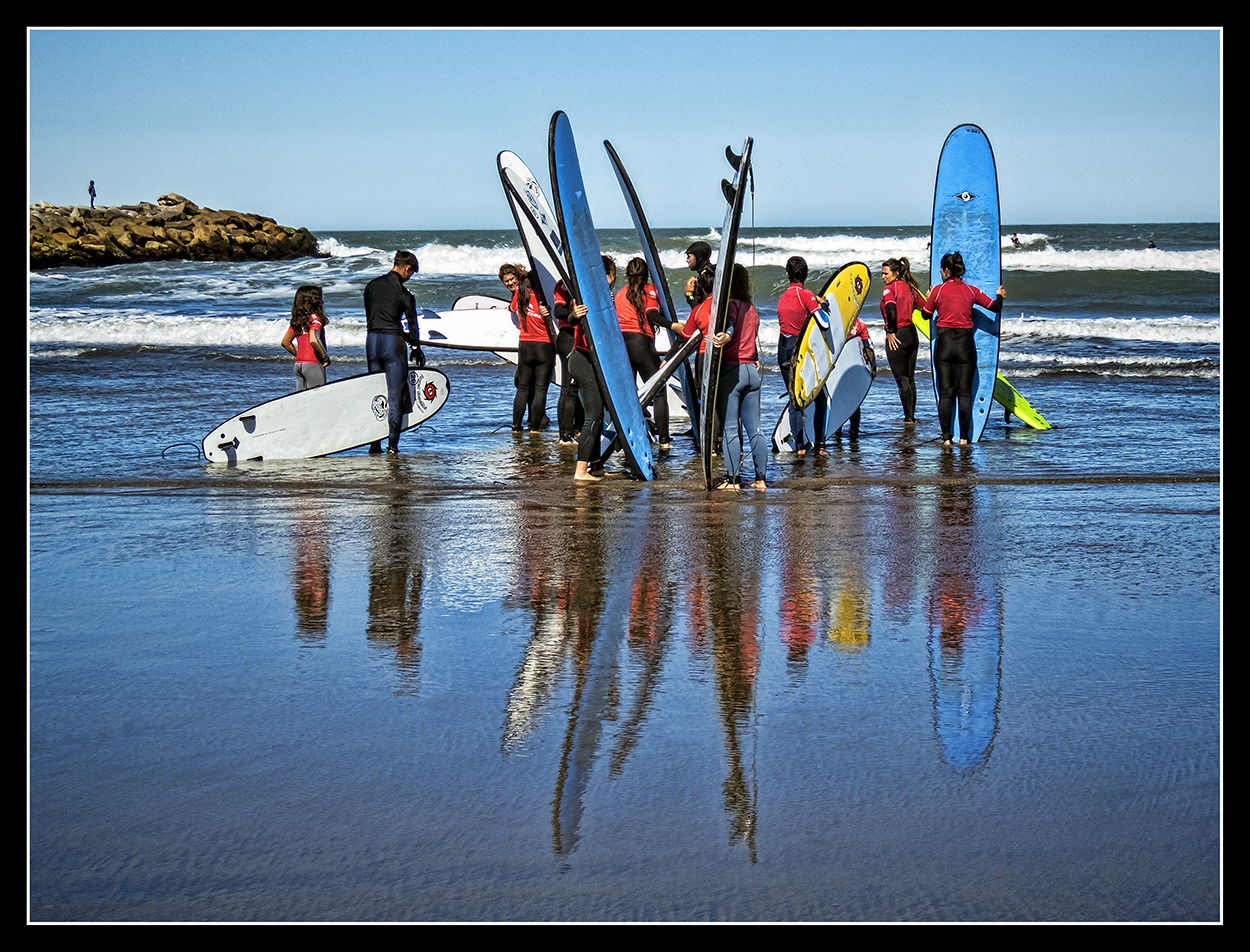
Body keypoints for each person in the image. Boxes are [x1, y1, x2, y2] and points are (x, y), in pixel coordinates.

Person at [921, 250, 1005, 447]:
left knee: (946, 393)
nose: (941, 273)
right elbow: (994, 307)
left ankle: (946, 439)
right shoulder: (971, 290)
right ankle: (964, 439)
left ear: (947, 271)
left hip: (944, 345)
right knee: (965, 393)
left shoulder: (938, 291)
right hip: (966, 345)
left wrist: (928, 298)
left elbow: (926, 315)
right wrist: (999, 295)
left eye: (942, 270)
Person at [711, 264, 767, 490]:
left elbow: (731, 324)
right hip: (752, 372)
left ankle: (733, 481)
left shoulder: (731, 304)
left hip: (732, 371)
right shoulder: (752, 308)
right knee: (755, 429)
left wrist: (726, 336)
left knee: (731, 429)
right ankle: (761, 480)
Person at [615, 257, 680, 451]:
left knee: (629, 395)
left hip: (621, 345)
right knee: (659, 392)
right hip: (640, 344)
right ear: (646, 274)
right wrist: (672, 325)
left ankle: (627, 438)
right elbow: (651, 314)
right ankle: (664, 440)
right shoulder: (649, 290)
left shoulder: (619, 294)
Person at [364, 250, 425, 455]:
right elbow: (413, 325)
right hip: (392, 345)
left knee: (375, 394)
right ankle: (392, 447)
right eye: (412, 273)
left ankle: (374, 444)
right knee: (394, 396)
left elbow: (372, 316)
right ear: (407, 269)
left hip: (372, 342)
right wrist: (416, 348)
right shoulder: (404, 294)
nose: (410, 277)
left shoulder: (371, 286)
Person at [567, 255, 616, 480]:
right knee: (593, 416)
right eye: (609, 274)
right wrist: (574, 315)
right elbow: (575, 318)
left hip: (591, 360)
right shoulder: (587, 295)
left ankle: (596, 467)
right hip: (583, 360)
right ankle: (580, 471)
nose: (612, 279)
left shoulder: (605, 297)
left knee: (597, 415)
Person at [776, 256, 829, 458]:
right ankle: (821, 445)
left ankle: (800, 447)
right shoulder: (806, 295)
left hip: (783, 349)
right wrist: (821, 306)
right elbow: (824, 323)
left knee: (794, 397)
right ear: (805, 274)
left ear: (788, 274)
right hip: (800, 351)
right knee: (820, 397)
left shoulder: (783, 297)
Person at [499, 263, 555, 433]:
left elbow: (512, 308)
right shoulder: (544, 297)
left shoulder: (520, 295)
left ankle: (516, 427)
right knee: (540, 390)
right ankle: (534, 428)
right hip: (544, 346)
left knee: (522, 389)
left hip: (525, 345)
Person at [880, 256, 924, 424]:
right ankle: (912, 416)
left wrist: (890, 332)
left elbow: (891, 310)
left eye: (886, 274)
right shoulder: (910, 288)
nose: (883, 277)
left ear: (896, 273)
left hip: (898, 335)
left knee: (902, 379)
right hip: (912, 335)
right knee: (910, 378)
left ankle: (908, 418)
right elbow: (926, 308)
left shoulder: (889, 290)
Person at [551, 277, 584, 445]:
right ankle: (565, 435)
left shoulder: (582, 281)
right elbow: (557, 310)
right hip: (567, 337)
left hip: (577, 337)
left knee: (577, 387)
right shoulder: (564, 284)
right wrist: (574, 313)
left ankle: (576, 429)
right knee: (568, 389)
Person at [833, 315, 875, 442]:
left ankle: (837, 430)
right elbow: (868, 346)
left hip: (836, 368)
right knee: (854, 400)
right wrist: (873, 367)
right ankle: (854, 430)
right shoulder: (860, 324)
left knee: (836, 397)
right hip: (853, 367)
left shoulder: (836, 322)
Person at [280, 285, 331, 391]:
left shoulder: (298, 321)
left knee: (302, 400)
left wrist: (299, 355)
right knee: (316, 399)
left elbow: (286, 342)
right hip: (313, 364)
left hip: (299, 364)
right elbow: (314, 339)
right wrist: (325, 358)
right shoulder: (315, 319)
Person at [683, 240, 714, 308]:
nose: (687, 260)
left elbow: (701, 313)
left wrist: (689, 295)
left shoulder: (706, 277)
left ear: (698, 257)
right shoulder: (711, 272)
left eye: (689, 256)